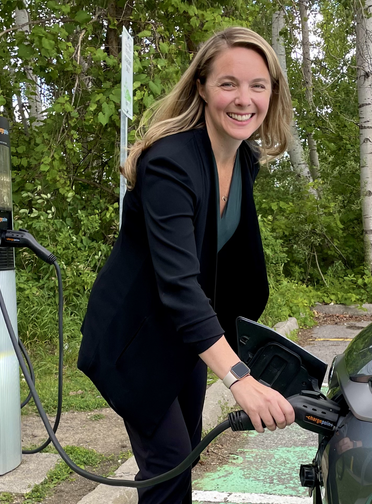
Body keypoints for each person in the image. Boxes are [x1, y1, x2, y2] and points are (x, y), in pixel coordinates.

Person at [77, 26, 295, 504]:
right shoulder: (169, 163)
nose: (244, 99)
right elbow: (178, 283)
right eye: (228, 83)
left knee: (185, 453)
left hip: (188, 336)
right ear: (201, 86)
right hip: (133, 338)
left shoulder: (244, 162)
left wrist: (253, 354)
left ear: (272, 93)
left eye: (258, 85)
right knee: (169, 464)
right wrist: (239, 379)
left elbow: (226, 266)